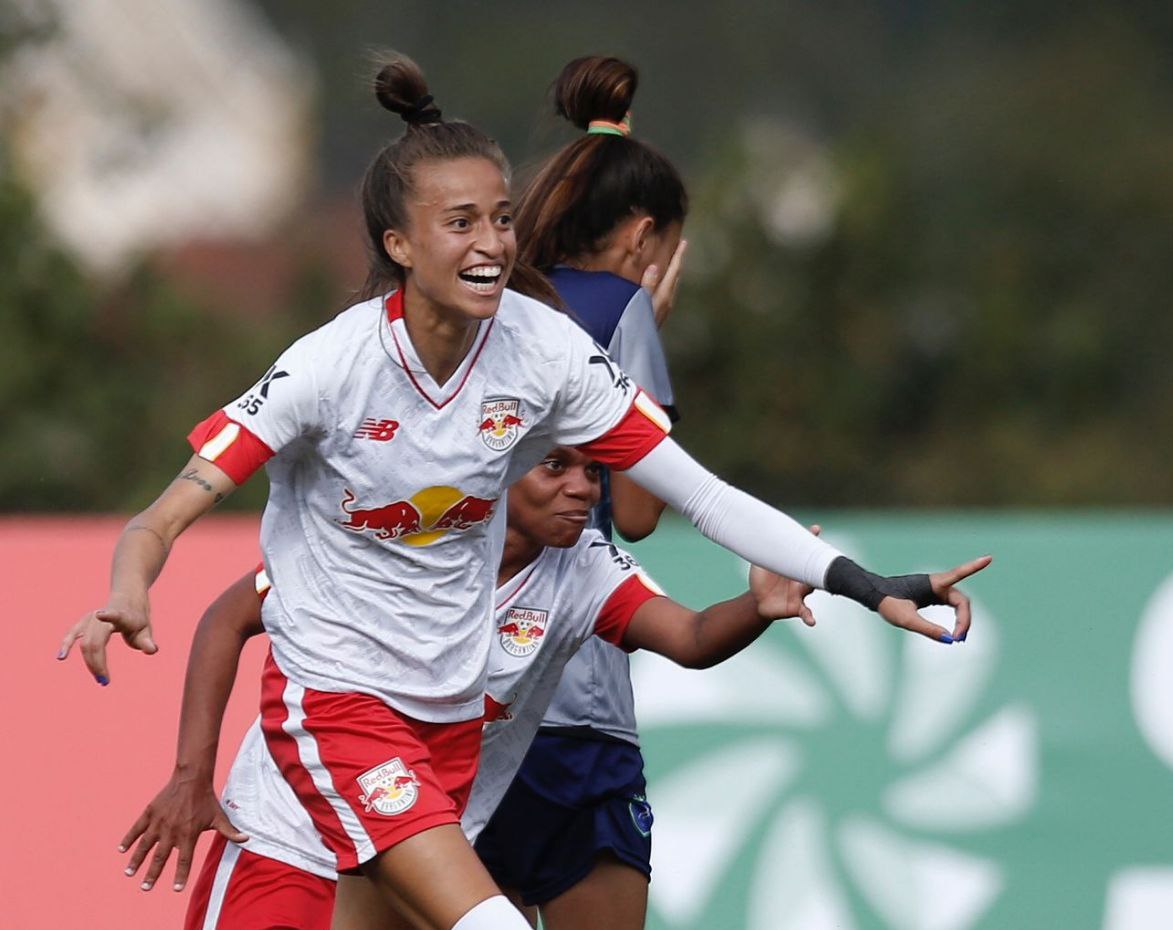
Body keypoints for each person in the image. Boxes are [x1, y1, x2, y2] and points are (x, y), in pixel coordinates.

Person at [61, 52, 984, 930]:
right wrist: (126, 589)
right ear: (399, 243)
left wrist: (866, 584)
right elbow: (165, 512)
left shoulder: (544, 356)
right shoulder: (330, 369)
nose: (492, 243)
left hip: (451, 732)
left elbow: (702, 497)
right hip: (337, 710)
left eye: (502, 218)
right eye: (459, 223)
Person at [116, 445, 988, 930]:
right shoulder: (403, 535)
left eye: (592, 469)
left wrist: (756, 607)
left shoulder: (581, 567)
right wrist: (192, 776)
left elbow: (685, 639)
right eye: (556, 469)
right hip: (287, 837)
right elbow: (226, 619)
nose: (584, 487)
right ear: (496, 475)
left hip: (411, 855)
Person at [490, 54, 688, 929]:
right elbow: (638, 515)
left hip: (463, 699)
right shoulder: (621, 309)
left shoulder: (491, 308)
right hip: (576, 700)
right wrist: (644, 333)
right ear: (645, 235)